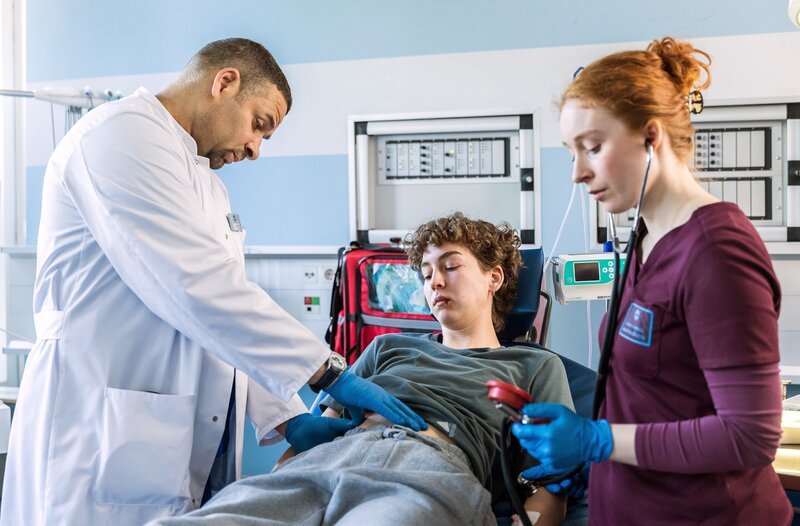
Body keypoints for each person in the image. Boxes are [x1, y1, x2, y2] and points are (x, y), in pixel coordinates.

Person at [0, 38, 426, 526]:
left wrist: (287, 417)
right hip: (96, 428)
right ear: (225, 82)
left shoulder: (206, 183)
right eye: (259, 125)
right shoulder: (120, 136)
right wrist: (329, 373)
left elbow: (223, 317)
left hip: (165, 432)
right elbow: (196, 289)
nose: (255, 149)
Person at [512, 37, 793, 525]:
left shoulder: (717, 251)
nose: (578, 173)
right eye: (571, 152)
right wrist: (592, 460)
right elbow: (656, 398)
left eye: (593, 147)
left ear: (651, 136)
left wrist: (597, 439)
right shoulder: (644, 237)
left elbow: (749, 435)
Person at [150, 212, 574, 526]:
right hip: (333, 459)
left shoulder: (534, 366)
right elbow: (319, 429)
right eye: (425, 275)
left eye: (450, 266)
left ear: (494, 277)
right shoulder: (387, 348)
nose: (434, 284)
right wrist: (286, 476)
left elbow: (550, 481)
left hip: (428, 467)